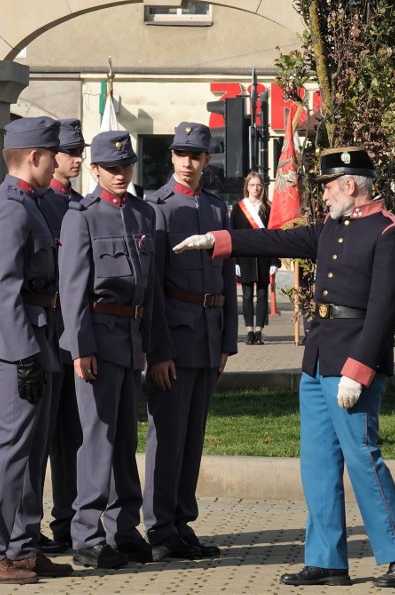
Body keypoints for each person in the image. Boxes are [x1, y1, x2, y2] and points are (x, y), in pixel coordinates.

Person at [174, 146, 395, 588]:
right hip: (318, 357)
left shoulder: (390, 233)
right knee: (317, 464)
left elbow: (385, 309)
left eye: (329, 187)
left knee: (363, 458)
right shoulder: (333, 226)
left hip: (352, 360)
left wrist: (360, 369)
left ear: (350, 185)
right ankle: (327, 560)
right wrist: (219, 240)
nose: (325, 195)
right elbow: (278, 240)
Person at [0, 116, 72, 585]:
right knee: (10, 449)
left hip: (41, 333)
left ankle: (23, 547)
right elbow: (4, 288)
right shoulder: (11, 207)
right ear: (34, 157)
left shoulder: (34, 202)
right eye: (53, 157)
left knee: (33, 450)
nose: (58, 165)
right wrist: (24, 352)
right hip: (22, 340)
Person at [59, 130, 156, 569]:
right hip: (97, 335)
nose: (120, 174)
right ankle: (86, 534)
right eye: (111, 168)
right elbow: (73, 289)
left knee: (124, 440)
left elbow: (148, 290)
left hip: (130, 336)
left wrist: (150, 345)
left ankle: (124, 527)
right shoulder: (82, 216)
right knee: (97, 439)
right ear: (94, 169)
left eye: (126, 166)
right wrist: (81, 348)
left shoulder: (142, 214)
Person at [143, 122, 238, 561]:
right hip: (175, 338)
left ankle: (181, 523)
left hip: (207, 336)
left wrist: (226, 344)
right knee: (168, 435)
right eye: (180, 154)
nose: (187, 163)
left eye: (195, 156)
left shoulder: (218, 209)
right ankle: (160, 527)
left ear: (207, 161)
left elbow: (227, 280)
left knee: (192, 436)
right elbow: (151, 288)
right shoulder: (156, 208)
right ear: (172, 158)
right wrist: (157, 349)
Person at [35, 118, 87, 555]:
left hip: (75, 329)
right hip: (45, 326)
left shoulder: (82, 205)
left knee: (73, 432)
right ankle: (28, 524)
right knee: (41, 434)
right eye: (70, 152)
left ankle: (69, 520)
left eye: (78, 151)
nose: (76, 159)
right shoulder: (39, 203)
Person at [231, 172, 280, 345]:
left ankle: (259, 331)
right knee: (246, 295)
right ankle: (248, 331)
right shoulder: (238, 208)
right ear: (247, 187)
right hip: (244, 257)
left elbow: (274, 236)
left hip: (263, 257)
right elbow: (233, 235)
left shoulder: (269, 207)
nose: (256, 188)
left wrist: (275, 260)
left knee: (261, 295)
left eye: (259, 185)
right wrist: (234, 260)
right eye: (252, 185)